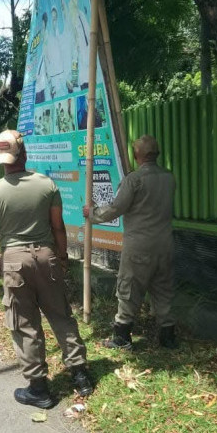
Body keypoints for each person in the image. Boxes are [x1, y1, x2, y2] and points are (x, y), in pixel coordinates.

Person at [0, 129, 92, 409]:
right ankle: (80, 374)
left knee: (24, 323)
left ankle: (39, 388)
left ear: (1, 159)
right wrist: (62, 256)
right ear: (24, 153)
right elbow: (58, 227)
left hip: (15, 261)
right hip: (46, 256)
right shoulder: (46, 185)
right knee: (60, 314)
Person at [82, 135, 177, 349]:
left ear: (136, 156)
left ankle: (122, 337)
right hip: (165, 244)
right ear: (157, 154)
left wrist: (92, 213)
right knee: (163, 290)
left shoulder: (134, 180)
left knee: (129, 289)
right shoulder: (169, 177)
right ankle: (168, 337)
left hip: (139, 246)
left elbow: (116, 208)